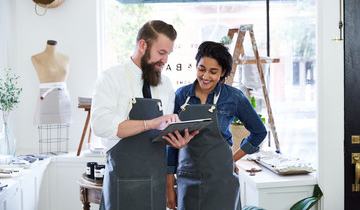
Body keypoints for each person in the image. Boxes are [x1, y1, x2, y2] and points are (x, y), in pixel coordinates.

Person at [90, 20, 199, 210]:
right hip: (122, 179)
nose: (165, 60)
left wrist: (176, 140)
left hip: (155, 181)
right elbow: (100, 125)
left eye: (168, 54)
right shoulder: (110, 78)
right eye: (161, 53)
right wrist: (150, 122)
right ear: (142, 45)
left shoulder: (166, 85)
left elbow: (160, 133)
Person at [166, 41, 267, 210]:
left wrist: (232, 159)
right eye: (201, 69)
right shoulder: (181, 95)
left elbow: (259, 132)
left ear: (223, 73)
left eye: (213, 72)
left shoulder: (233, 97)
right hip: (187, 179)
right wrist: (169, 184)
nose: (205, 76)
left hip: (222, 181)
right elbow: (171, 142)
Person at [31, 39, 72, 126]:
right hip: (46, 100)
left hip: (63, 101)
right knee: (45, 137)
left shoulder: (66, 59)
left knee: (64, 135)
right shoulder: (36, 58)